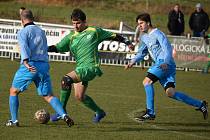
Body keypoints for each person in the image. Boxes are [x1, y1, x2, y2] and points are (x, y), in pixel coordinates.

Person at [48, 8, 133, 123]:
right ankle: (99, 112)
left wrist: (127, 42)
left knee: (66, 80)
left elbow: (113, 35)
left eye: (78, 23)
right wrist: (44, 49)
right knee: (79, 96)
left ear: (84, 22)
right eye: (73, 23)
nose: (76, 26)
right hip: (80, 68)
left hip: (91, 68)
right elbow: (57, 48)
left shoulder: (94, 31)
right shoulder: (71, 36)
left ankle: (61, 112)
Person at [125, 13, 208, 121]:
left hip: (164, 63)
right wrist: (132, 61)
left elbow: (168, 49)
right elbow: (142, 53)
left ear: (148, 23)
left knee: (147, 82)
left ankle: (150, 112)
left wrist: (165, 61)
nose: (139, 26)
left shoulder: (158, 34)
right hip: (164, 65)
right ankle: (201, 104)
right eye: (138, 24)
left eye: (141, 23)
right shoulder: (144, 37)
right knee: (170, 93)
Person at [5, 9, 74, 127]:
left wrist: (26, 62)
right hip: (43, 66)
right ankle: (64, 115)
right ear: (33, 18)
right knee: (48, 95)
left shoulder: (23, 32)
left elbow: (24, 47)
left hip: (30, 65)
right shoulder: (41, 31)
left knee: (13, 91)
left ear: (22, 20)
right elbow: (44, 48)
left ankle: (14, 120)